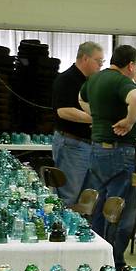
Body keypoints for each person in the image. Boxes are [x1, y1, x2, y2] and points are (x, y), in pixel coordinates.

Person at [79, 44, 136, 270]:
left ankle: (98, 256)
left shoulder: (95, 79)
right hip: (120, 152)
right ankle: (114, 263)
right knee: (120, 209)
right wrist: (129, 122)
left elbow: (80, 98)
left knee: (100, 206)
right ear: (130, 66)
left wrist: (98, 116)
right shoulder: (121, 81)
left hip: (99, 150)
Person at [51, 41, 104, 205]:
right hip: (72, 144)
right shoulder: (66, 80)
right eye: (98, 61)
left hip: (89, 145)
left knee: (86, 198)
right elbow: (63, 111)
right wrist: (95, 120)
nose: (100, 65)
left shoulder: (90, 82)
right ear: (85, 58)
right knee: (69, 195)